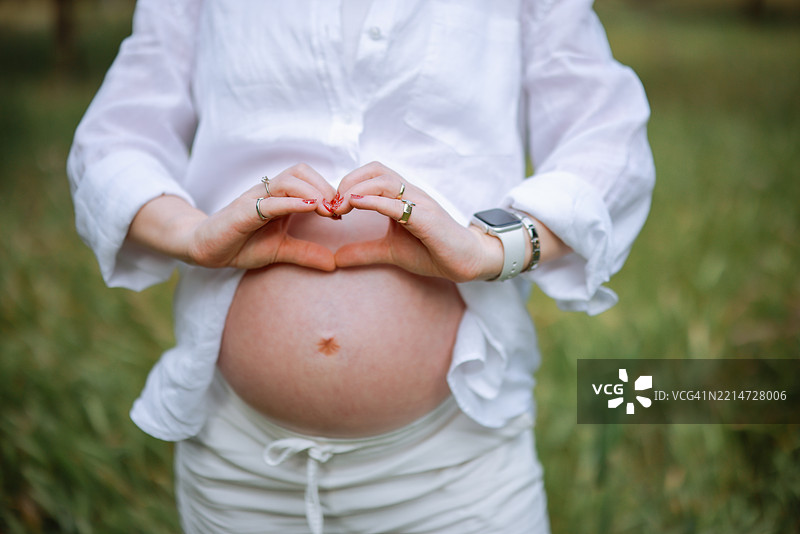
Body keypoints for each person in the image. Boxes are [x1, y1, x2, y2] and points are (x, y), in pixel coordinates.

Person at [67, 0, 654, 532]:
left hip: (454, 472)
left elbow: (606, 137)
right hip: (235, 467)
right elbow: (117, 139)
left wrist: (491, 246)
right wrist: (193, 233)